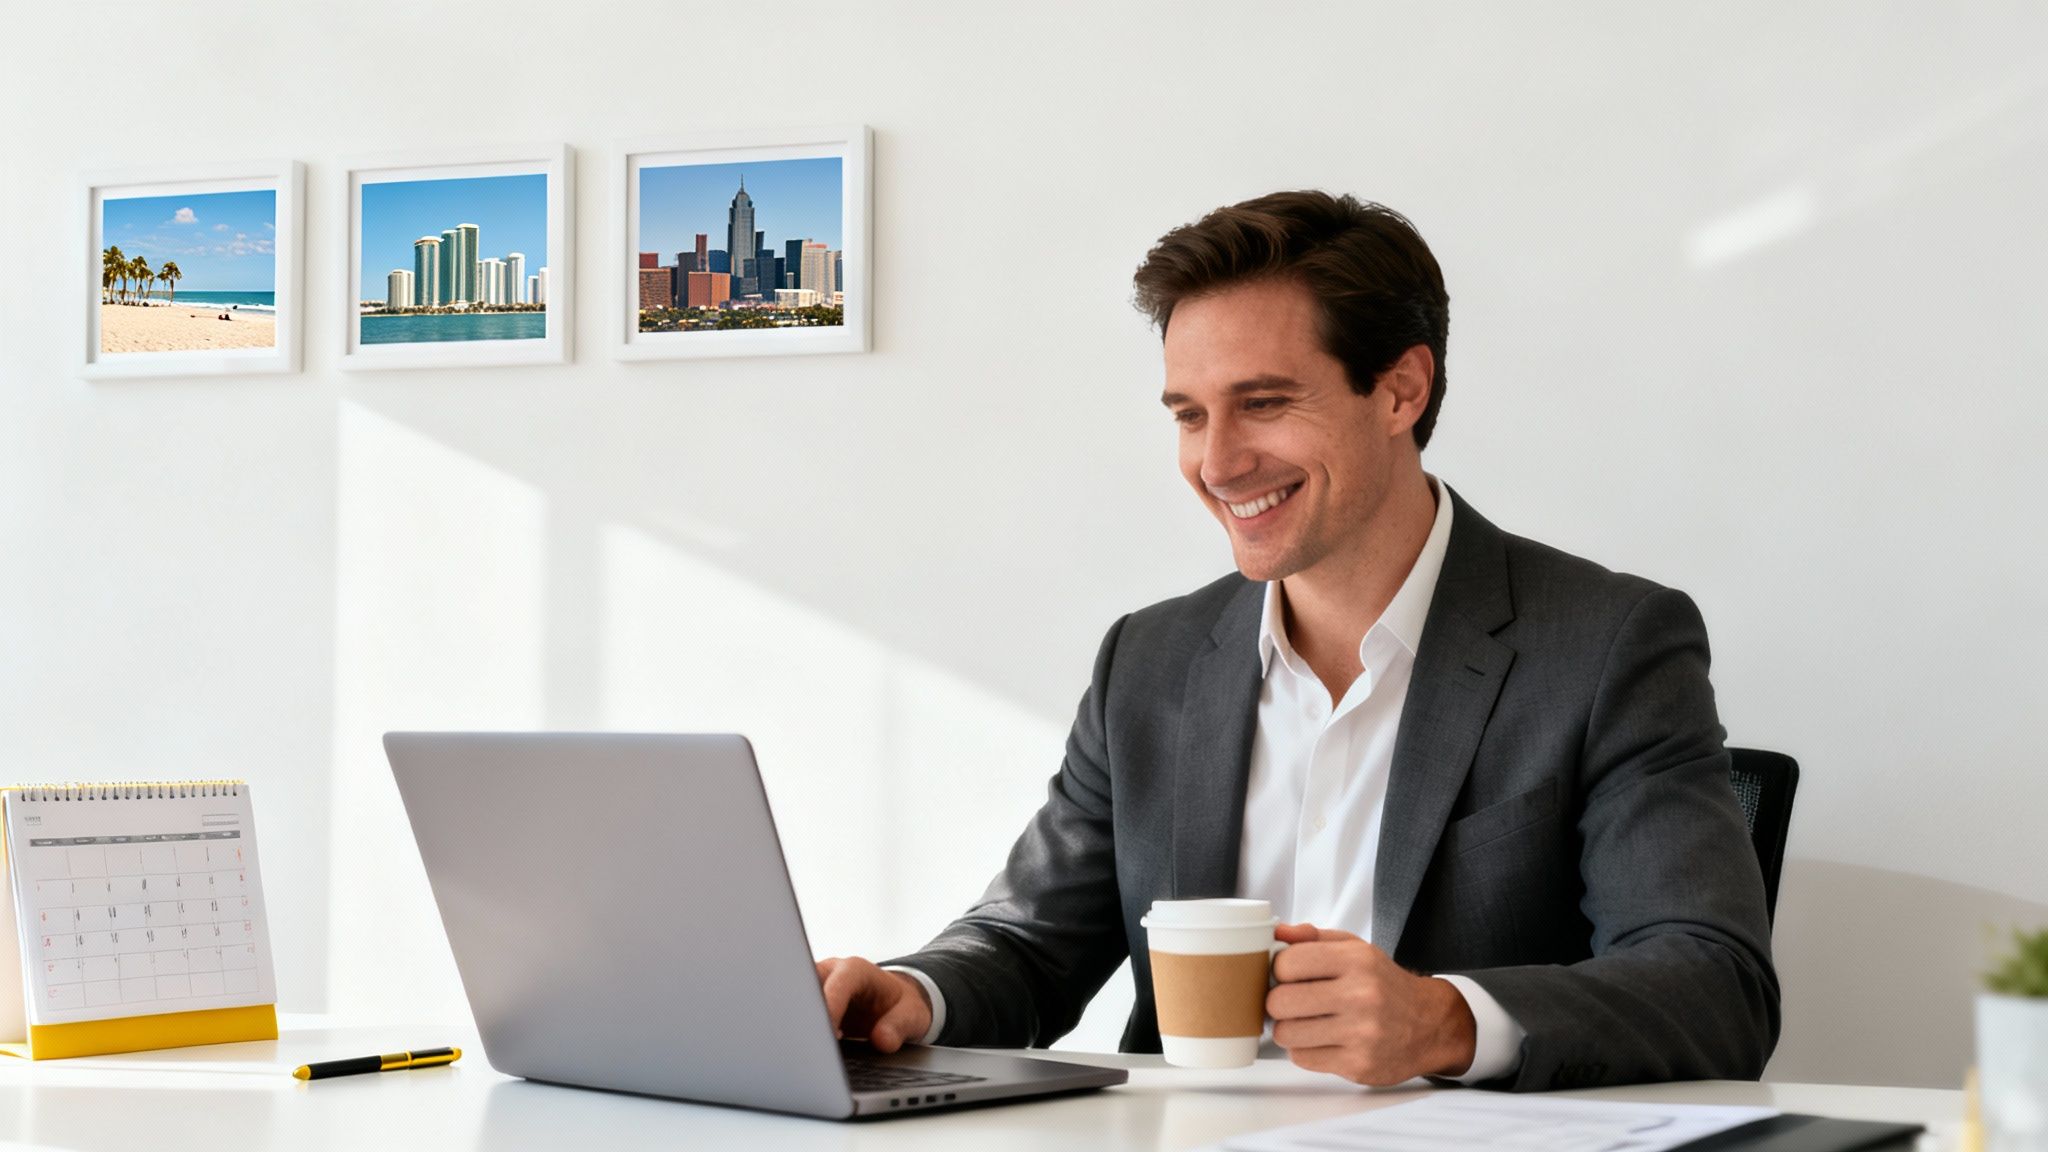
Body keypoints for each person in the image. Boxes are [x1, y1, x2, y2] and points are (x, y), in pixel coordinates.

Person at [815, 191, 1778, 1092]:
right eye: (1190, 415)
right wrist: (912, 996)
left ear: (1401, 391)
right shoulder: (1146, 663)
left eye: (1265, 403)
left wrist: (1446, 1020)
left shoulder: (1607, 644)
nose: (1218, 462)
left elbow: (1714, 981)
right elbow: (1031, 942)